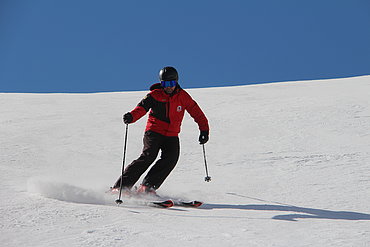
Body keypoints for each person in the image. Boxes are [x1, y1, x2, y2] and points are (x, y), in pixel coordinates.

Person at [112, 66, 209, 194]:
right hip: (154, 132)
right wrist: (132, 116)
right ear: (161, 83)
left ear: (176, 82)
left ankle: (147, 187)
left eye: (171, 83)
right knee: (148, 156)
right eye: (165, 83)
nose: (168, 87)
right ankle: (121, 187)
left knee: (171, 158)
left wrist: (204, 130)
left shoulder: (183, 97)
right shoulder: (155, 95)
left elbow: (197, 113)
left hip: (172, 135)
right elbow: (141, 108)